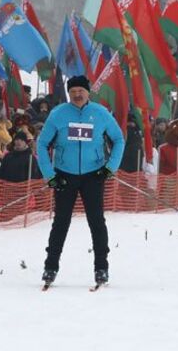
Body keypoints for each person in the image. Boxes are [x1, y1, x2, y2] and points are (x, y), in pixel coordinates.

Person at [37, 75, 125, 286]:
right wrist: (50, 176)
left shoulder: (100, 113)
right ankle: (50, 267)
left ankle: (101, 268)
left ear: (88, 92)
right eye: (73, 91)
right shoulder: (58, 114)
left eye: (81, 91)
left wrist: (109, 168)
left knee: (96, 222)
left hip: (93, 175)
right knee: (61, 223)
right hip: (64, 176)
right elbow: (42, 145)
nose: (77, 95)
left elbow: (119, 139)